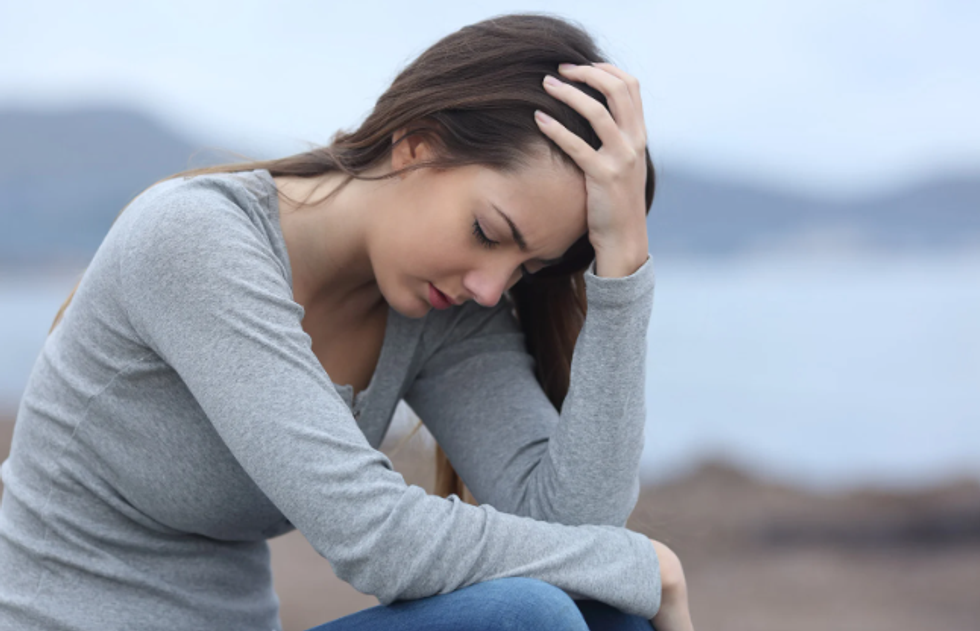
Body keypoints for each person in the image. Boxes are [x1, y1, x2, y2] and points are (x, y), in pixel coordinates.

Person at [0, 12, 694, 631]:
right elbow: (379, 540)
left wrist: (623, 264)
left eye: (524, 268)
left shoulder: (442, 305)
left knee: (600, 612)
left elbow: (574, 528)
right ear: (416, 145)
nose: (491, 288)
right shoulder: (196, 240)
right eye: (488, 230)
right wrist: (644, 564)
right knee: (530, 614)